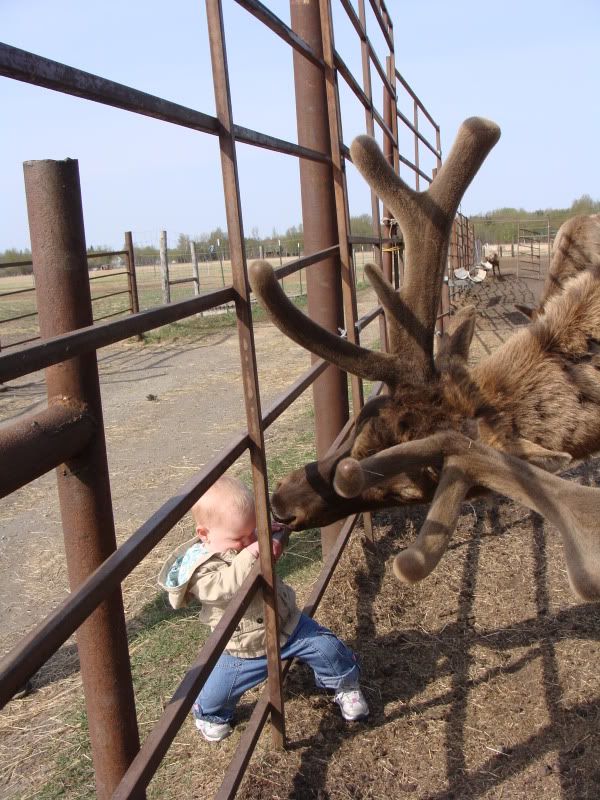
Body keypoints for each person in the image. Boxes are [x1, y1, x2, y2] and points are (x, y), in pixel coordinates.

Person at [158, 474, 369, 742]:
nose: (248, 542)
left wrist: (275, 534)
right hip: (243, 647)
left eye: (252, 532)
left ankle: (344, 684)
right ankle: (210, 714)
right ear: (204, 534)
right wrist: (254, 552)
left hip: (288, 625)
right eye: (239, 539)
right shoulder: (201, 569)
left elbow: (268, 542)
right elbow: (225, 586)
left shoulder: (250, 539)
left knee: (330, 649)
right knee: (215, 693)